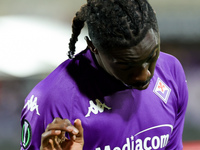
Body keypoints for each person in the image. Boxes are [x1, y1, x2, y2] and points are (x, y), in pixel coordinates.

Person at [20, 0, 188, 150]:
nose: (144, 75)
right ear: (93, 46)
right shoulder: (52, 101)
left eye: (152, 56)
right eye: (126, 65)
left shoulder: (171, 72)